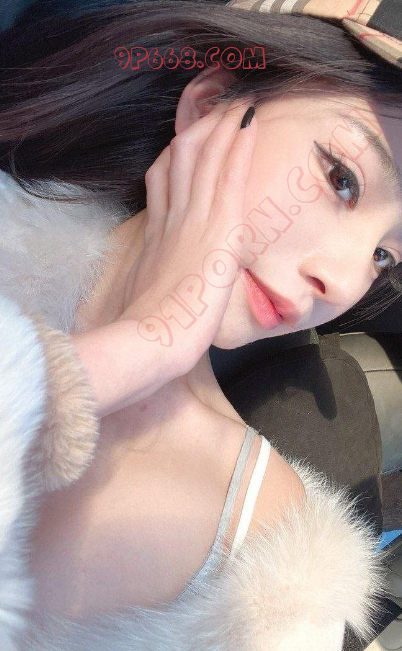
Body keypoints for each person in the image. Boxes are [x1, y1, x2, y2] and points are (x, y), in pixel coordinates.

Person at [0, 0, 401, 649]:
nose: (347, 280)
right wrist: (140, 345)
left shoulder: (277, 578)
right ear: (211, 106)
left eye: (384, 256)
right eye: (342, 178)